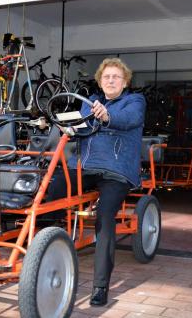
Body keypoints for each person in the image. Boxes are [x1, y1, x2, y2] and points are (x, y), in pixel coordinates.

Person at [46, 57, 146, 307]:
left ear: (125, 82)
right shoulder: (90, 102)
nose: (110, 80)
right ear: (100, 82)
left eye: (116, 77)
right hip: (85, 167)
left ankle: (100, 287)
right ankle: (43, 249)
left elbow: (127, 120)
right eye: (106, 77)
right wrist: (67, 127)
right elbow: (79, 129)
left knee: (104, 216)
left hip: (116, 170)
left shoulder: (134, 101)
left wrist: (106, 115)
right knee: (50, 189)